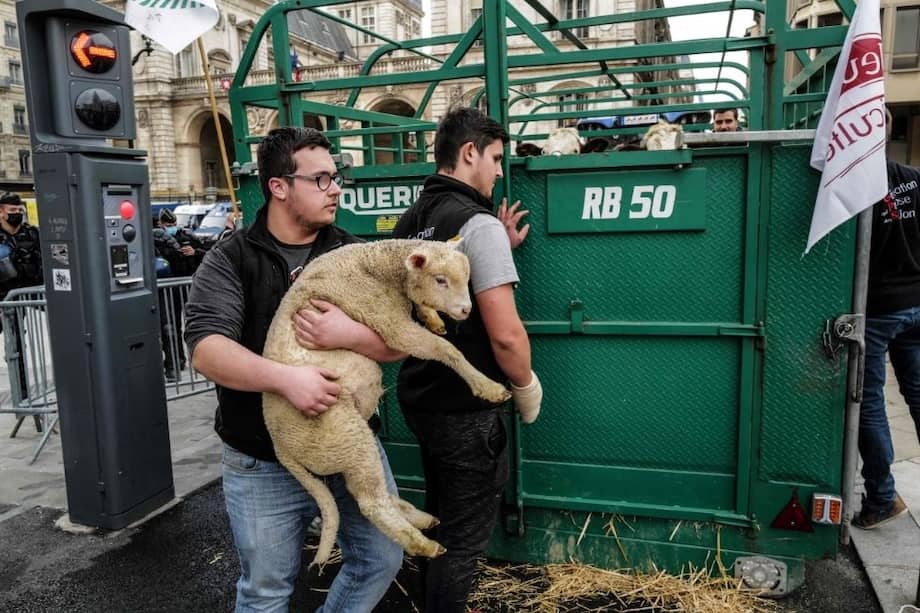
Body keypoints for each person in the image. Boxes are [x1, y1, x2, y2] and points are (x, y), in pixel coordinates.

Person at [183, 126, 404, 612]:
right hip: (262, 458)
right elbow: (207, 349)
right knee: (265, 592)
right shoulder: (231, 258)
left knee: (382, 556)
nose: (336, 188)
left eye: (335, 176)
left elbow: (397, 343)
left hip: (351, 444)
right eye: (321, 179)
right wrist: (287, 379)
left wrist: (351, 336)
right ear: (279, 186)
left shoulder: (350, 251)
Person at [390, 107, 543, 613]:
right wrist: (525, 387)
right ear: (470, 153)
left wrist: (500, 248)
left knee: (439, 523)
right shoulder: (478, 225)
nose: (501, 171)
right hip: (465, 410)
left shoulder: (414, 219)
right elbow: (504, 336)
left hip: (422, 400)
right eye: (496, 158)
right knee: (462, 540)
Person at [854, 155, 920, 529]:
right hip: (916, 302)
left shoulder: (853, 184)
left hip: (879, 308)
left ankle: (881, 498)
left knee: (869, 403)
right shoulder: (913, 177)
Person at [0, 192, 43, 399]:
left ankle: (23, 395)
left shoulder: (32, 234)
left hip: (25, 296)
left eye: (19, 210)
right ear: (1, 212)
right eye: (12, 210)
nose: (17, 213)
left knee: (17, 347)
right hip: (2, 297)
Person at [153, 208, 201, 382]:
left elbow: (207, 253)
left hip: (188, 287)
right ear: (161, 224)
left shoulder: (187, 236)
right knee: (171, 326)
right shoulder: (157, 239)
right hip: (170, 289)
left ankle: (195, 360)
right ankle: (177, 361)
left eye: (173, 224)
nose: (172, 227)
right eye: (168, 224)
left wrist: (195, 253)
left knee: (193, 324)